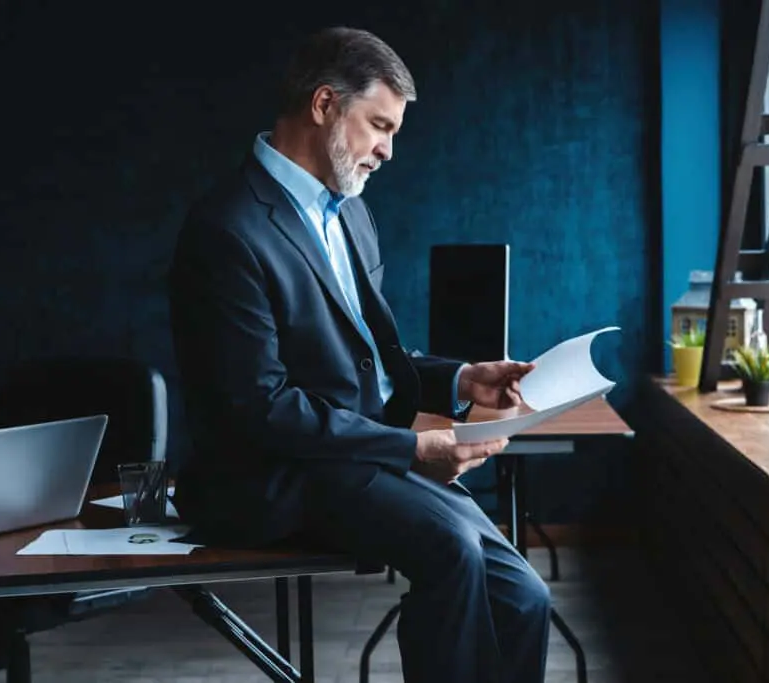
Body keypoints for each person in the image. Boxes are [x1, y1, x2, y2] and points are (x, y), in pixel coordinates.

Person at [166, 26, 552, 683]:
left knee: (526, 594)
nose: (388, 150)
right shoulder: (225, 230)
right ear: (323, 105)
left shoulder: (350, 214)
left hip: (358, 457)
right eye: (379, 125)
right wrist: (410, 449)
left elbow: (370, 356)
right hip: (278, 474)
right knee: (452, 546)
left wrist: (461, 377)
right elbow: (260, 408)